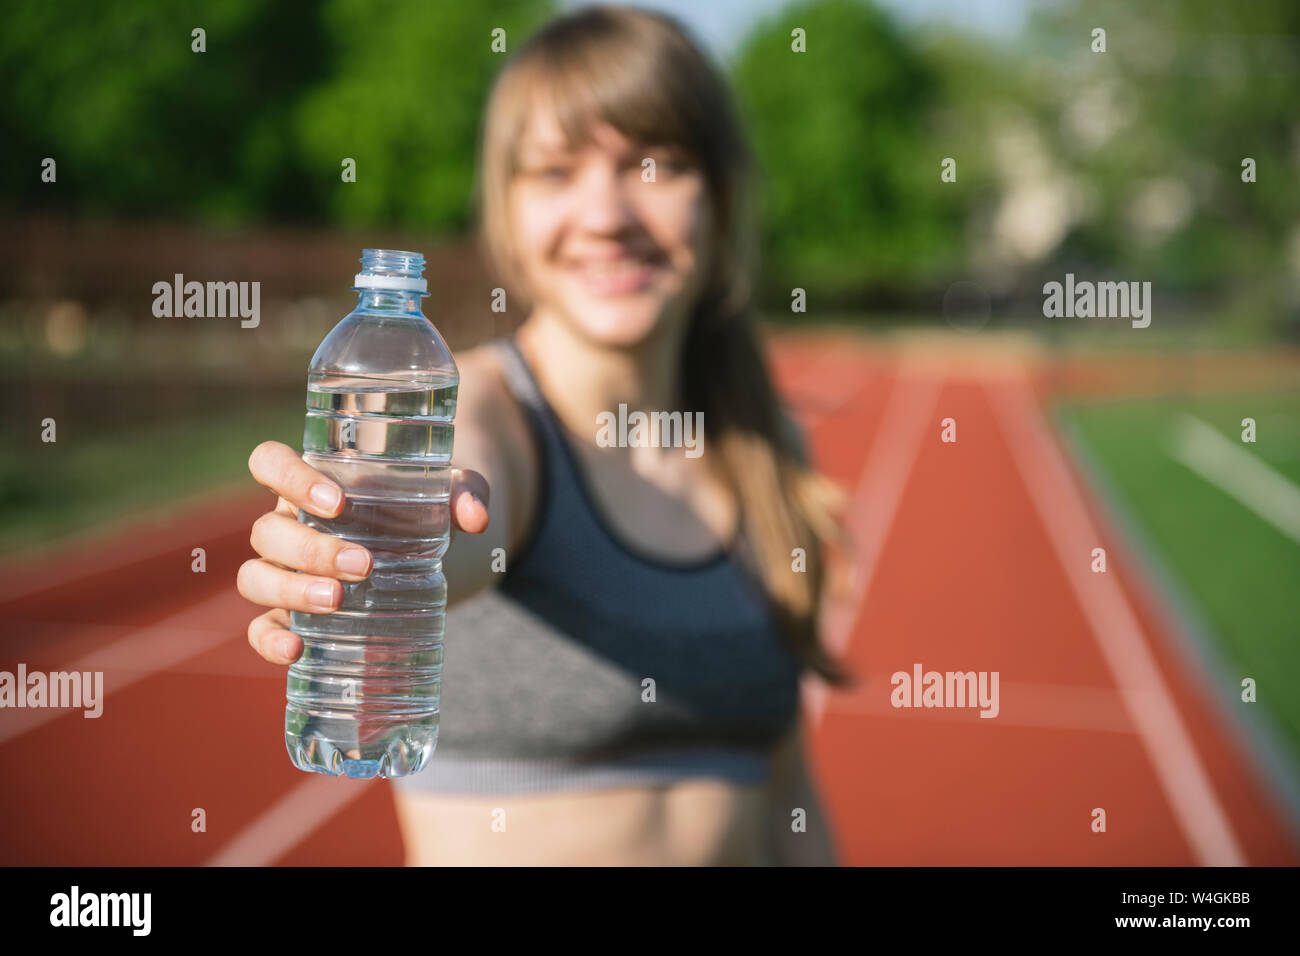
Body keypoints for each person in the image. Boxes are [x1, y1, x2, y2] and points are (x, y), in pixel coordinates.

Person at [239, 4, 854, 866]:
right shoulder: (489, 413)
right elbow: (459, 520)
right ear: (507, 214)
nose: (605, 213)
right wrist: (371, 544)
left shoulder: (768, 447)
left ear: (718, 198)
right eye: (556, 171)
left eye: (656, 164)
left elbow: (789, 793)